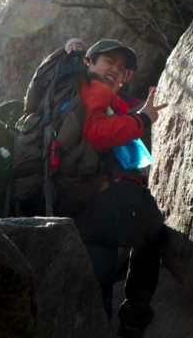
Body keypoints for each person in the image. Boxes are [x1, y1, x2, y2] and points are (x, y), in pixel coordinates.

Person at [69, 39, 168, 338]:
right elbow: (99, 134)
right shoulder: (95, 87)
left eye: (122, 68)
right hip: (114, 201)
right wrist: (142, 119)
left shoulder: (83, 94)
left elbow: (121, 119)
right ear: (90, 63)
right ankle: (134, 322)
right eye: (108, 61)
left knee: (97, 297)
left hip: (80, 209)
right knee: (154, 233)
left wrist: (140, 113)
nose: (115, 69)